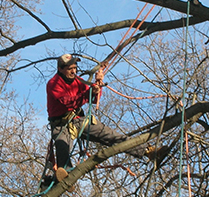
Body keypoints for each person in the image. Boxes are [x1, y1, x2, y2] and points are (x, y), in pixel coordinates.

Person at [44, 53, 164, 188]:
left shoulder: (79, 81)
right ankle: (64, 177)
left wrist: (96, 89)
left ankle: (148, 151)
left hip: (79, 120)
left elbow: (92, 99)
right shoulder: (53, 83)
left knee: (111, 136)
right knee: (62, 147)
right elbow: (68, 102)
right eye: (70, 68)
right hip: (61, 125)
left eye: (75, 67)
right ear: (60, 69)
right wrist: (88, 93)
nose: (74, 71)